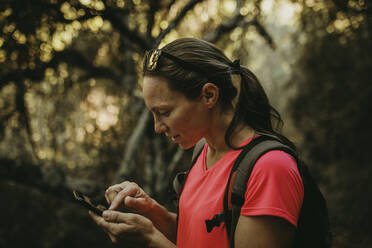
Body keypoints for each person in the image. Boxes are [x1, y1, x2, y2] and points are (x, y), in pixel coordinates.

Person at [90, 37, 304, 248]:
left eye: (164, 112)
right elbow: (196, 236)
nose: (158, 127)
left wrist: (150, 239)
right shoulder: (202, 151)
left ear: (209, 95)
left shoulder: (270, 169)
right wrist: (152, 211)